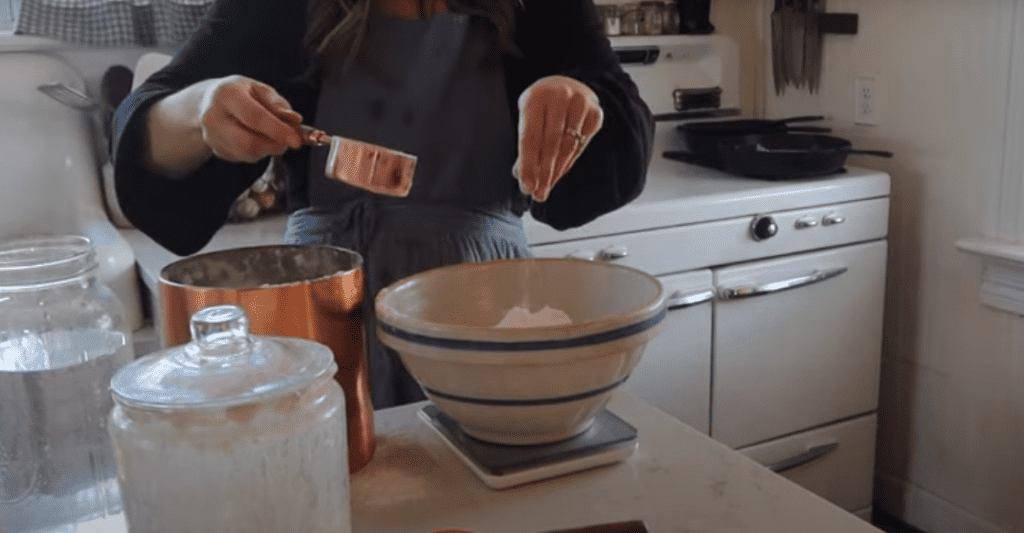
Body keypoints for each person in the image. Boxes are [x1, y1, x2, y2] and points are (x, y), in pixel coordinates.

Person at [111, 0, 655, 409]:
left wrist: (580, 99)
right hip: (327, 316)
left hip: (486, 319)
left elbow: (623, 134)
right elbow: (149, 126)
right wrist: (201, 111)